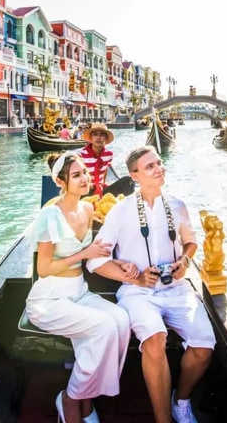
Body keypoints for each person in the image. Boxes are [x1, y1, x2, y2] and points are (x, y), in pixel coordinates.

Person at [87, 146, 215, 423]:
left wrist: (183, 260)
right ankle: (163, 420)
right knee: (155, 338)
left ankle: (180, 401)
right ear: (134, 175)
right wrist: (134, 277)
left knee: (205, 345)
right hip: (137, 293)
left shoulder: (178, 206)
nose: (159, 169)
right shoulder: (121, 211)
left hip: (176, 289)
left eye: (159, 163)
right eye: (150, 166)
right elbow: (95, 261)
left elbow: (191, 242)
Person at [26, 152, 137, 423]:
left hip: (79, 290)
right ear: (61, 182)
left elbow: (94, 257)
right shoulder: (50, 214)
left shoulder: (88, 209)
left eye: (85, 172)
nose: (84, 178)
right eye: (76, 175)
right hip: (50, 297)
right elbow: (44, 269)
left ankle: (86, 400)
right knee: (102, 327)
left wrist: (119, 263)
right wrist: (84, 253)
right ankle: (71, 399)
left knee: (121, 321)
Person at [80, 123, 115, 197]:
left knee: (127, 180)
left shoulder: (109, 155)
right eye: (95, 134)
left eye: (101, 135)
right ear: (91, 138)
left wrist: (103, 183)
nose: (98, 137)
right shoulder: (80, 154)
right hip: (86, 189)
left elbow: (105, 169)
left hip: (100, 187)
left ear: (105, 138)